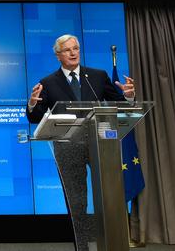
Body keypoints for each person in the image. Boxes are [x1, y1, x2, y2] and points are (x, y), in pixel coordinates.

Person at [26, 34, 134, 251]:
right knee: (77, 201)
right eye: (67, 50)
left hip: (100, 144)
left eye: (76, 48)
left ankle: (112, 244)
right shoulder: (48, 82)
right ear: (58, 55)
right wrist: (31, 104)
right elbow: (36, 117)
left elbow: (119, 106)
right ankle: (82, 247)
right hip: (68, 147)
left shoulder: (97, 76)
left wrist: (129, 98)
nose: (73, 53)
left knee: (109, 197)